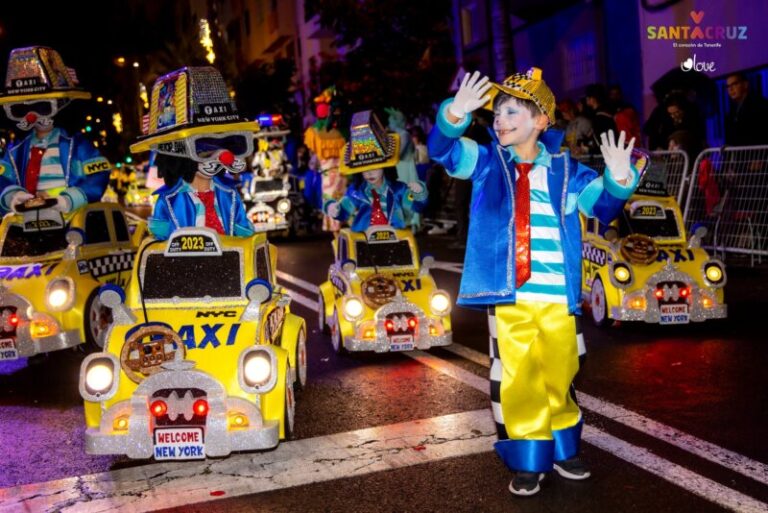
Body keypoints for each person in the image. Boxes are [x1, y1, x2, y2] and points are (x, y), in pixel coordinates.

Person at [428, 69, 642, 497]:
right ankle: (529, 457)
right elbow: (444, 153)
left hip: (557, 297)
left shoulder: (567, 170)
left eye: (511, 111)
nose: (500, 120)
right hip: (512, 297)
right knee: (520, 376)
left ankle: (564, 447)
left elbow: (601, 207)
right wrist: (453, 114)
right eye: (496, 113)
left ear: (542, 120)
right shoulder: (490, 163)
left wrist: (618, 181)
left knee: (560, 374)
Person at [130, 66, 255, 240]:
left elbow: (244, 231)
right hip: (186, 265)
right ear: (180, 155)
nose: (221, 158)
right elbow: (160, 238)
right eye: (204, 152)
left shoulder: (229, 194)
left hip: (227, 263)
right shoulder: (168, 199)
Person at [0, 46, 110, 215]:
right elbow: (2, 178)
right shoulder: (16, 150)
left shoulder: (78, 144)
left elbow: (98, 174)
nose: (34, 116)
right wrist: (13, 196)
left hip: (71, 215)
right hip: (25, 219)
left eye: (43, 106)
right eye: (23, 110)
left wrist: (68, 199)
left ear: (61, 105)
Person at [325, 110, 427, 232]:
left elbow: (416, 207)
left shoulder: (399, 189)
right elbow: (344, 211)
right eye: (364, 169)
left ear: (385, 167)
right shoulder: (357, 192)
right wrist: (334, 209)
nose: (369, 173)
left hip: (395, 240)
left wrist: (419, 194)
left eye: (374, 168)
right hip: (364, 241)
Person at [724, 72, 768, 146]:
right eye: (728, 86)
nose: (730, 89)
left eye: (735, 84)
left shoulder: (759, 105)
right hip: (740, 155)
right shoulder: (731, 111)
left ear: (745, 84)